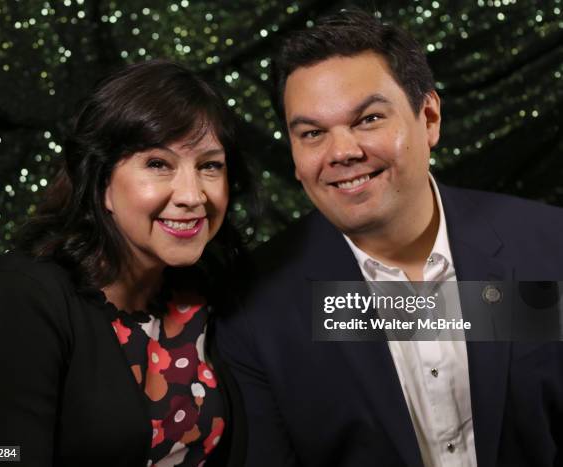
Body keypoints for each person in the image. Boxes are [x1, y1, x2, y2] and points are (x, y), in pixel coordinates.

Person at [216, 8, 563, 467]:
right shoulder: (254, 307)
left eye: (369, 119)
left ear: (430, 118)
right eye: (313, 133)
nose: (342, 152)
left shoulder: (550, 244)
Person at [0, 60, 249, 466]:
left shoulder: (208, 292)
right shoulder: (23, 298)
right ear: (101, 183)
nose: (193, 195)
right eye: (158, 164)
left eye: (209, 166)